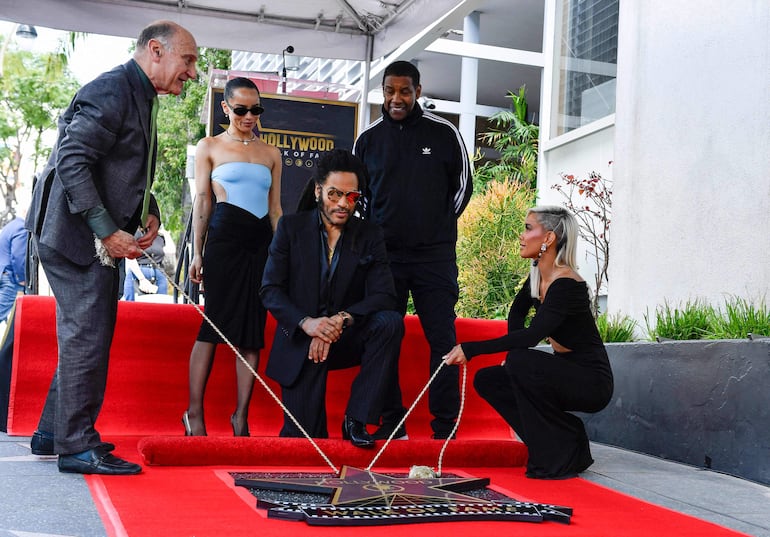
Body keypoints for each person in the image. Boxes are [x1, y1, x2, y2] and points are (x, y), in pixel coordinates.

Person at [24, 20, 198, 475]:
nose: (194, 73)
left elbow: (117, 163)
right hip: (74, 234)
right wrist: (106, 230)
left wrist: (148, 205)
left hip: (82, 231)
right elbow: (73, 160)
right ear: (155, 50)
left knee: (87, 332)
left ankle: (52, 432)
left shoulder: (139, 93)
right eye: (189, 60)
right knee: (89, 335)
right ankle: (76, 446)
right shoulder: (112, 90)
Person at [443, 206, 614, 479]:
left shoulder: (567, 285)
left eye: (527, 228)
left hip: (591, 380)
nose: (521, 236)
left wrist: (471, 349)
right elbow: (517, 313)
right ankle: (566, 436)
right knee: (489, 379)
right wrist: (512, 357)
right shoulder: (538, 276)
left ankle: (555, 455)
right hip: (565, 370)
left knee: (521, 360)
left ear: (547, 238)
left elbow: (534, 334)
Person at [353, 60, 472, 440]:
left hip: (434, 258)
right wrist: (377, 236)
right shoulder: (368, 139)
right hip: (385, 258)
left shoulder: (445, 133)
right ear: (383, 92)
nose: (396, 98)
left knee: (442, 338)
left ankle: (445, 427)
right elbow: (359, 197)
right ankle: (392, 421)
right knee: (386, 333)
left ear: (418, 91)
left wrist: (436, 228)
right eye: (390, 91)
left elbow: (464, 187)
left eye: (404, 91)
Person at [260, 149, 403, 448]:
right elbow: (270, 290)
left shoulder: (370, 234)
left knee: (390, 322)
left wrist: (340, 320)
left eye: (351, 196)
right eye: (335, 193)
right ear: (318, 190)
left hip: (346, 337)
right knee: (305, 444)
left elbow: (384, 294)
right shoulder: (290, 228)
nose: (342, 204)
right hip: (302, 340)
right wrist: (308, 324)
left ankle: (357, 418)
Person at [183, 77, 282, 437]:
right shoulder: (208, 146)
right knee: (214, 323)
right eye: (241, 109)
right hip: (224, 240)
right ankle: (194, 413)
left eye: (255, 109)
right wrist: (198, 251)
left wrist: (282, 252)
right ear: (225, 108)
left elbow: (275, 210)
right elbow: (203, 201)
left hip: (260, 242)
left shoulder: (271, 153)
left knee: (252, 331)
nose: (249, 116)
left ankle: (240, 417)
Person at [122, 231, 168, 300]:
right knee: (132, 307)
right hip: (136, 274)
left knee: (161, 308)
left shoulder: (160, 237)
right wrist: (142, 279)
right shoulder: (134, 234)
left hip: (159, 274)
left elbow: (168, 259)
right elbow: (129, 258)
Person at [0, 216, 27, 322]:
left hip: (4, 274)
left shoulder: (10, 226)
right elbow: (18, 256)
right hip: (11, 279)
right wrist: (21, 280)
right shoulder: (22, 228)